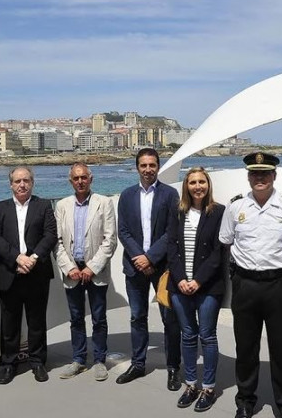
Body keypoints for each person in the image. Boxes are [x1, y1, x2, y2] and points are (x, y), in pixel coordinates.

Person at [219, 152, 282, 418]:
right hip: (245, 285)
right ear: (248, 176)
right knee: (246, 348)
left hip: (279, 285)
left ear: (274, 175)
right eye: (254, 173)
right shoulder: (236, 206)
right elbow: (226, 241)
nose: (259, 178)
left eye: (265, 173)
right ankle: (245, 401)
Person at [116, 147, 182, 390]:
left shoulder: (170, 195)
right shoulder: (127, 195)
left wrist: (151, 257)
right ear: (137, 168)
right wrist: (139, 257)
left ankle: (173, 367)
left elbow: (171, 232)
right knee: (137, 317)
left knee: (169, 318)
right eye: (143, 165)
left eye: (152, 165)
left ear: (158, 167)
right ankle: (138, 363)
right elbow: (123, 230)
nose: (147, 169)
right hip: (135, 267)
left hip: (162, 268)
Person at [0, 166, 57, 385]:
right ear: (11, 184)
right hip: (10, 272)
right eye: (17, 181)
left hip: (37, 272)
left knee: (37, 321)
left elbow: (50, 235)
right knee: (9, 322)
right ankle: (9, 364)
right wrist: (17, 258)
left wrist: (33, 258)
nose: (22, 184)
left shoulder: (44, 206)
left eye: (26, 180)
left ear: (32, 182)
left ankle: (37, 361)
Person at [168, 167, 227, 412]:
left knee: (207, 335)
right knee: (188, 335)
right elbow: (171, 246)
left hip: (208, 286)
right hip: (179, 285)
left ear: (208, 184)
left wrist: (198, 281)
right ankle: (191, 384)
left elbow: (218, 252)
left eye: (202, 181)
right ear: (186, 186)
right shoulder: (177, 211)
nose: (197, 186)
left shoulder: (219, 212)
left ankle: (209, 387)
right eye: (192, 182)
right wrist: (181, 278)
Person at [53, 162, 118, 381]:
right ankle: (79, 360)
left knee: (99, 318)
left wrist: (92, 267)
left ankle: (99, 360)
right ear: (70, 181)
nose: (80, 181)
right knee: (76, 317)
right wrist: (69, 267)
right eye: (76, 178)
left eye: (84, 177)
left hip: (95, 270)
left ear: (91, 179)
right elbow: (57, 241)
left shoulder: (104, 203)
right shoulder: (62, 205)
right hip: (72, 271)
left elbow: (110, 239)